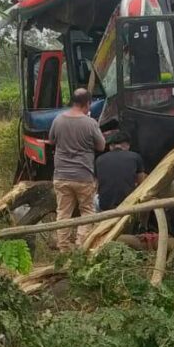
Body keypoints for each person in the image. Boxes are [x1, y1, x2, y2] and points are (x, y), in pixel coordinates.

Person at [48, 88, 106, 251]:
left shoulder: (58, 120)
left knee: (63, 214)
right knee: (87, 212)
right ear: (87, 103)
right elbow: (101, 146)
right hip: (83, 176)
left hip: (61, 175)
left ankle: (64, 248)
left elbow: (51, 141)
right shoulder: (90, 123)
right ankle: (81, 247)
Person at [95, 131, 146, 211]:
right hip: (128, 205)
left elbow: (96, 185)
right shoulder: (135, 157)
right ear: (127, 145)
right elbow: (142, 183)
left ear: (111, 146)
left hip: (104, 206)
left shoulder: (99, 159)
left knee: (94, 199)